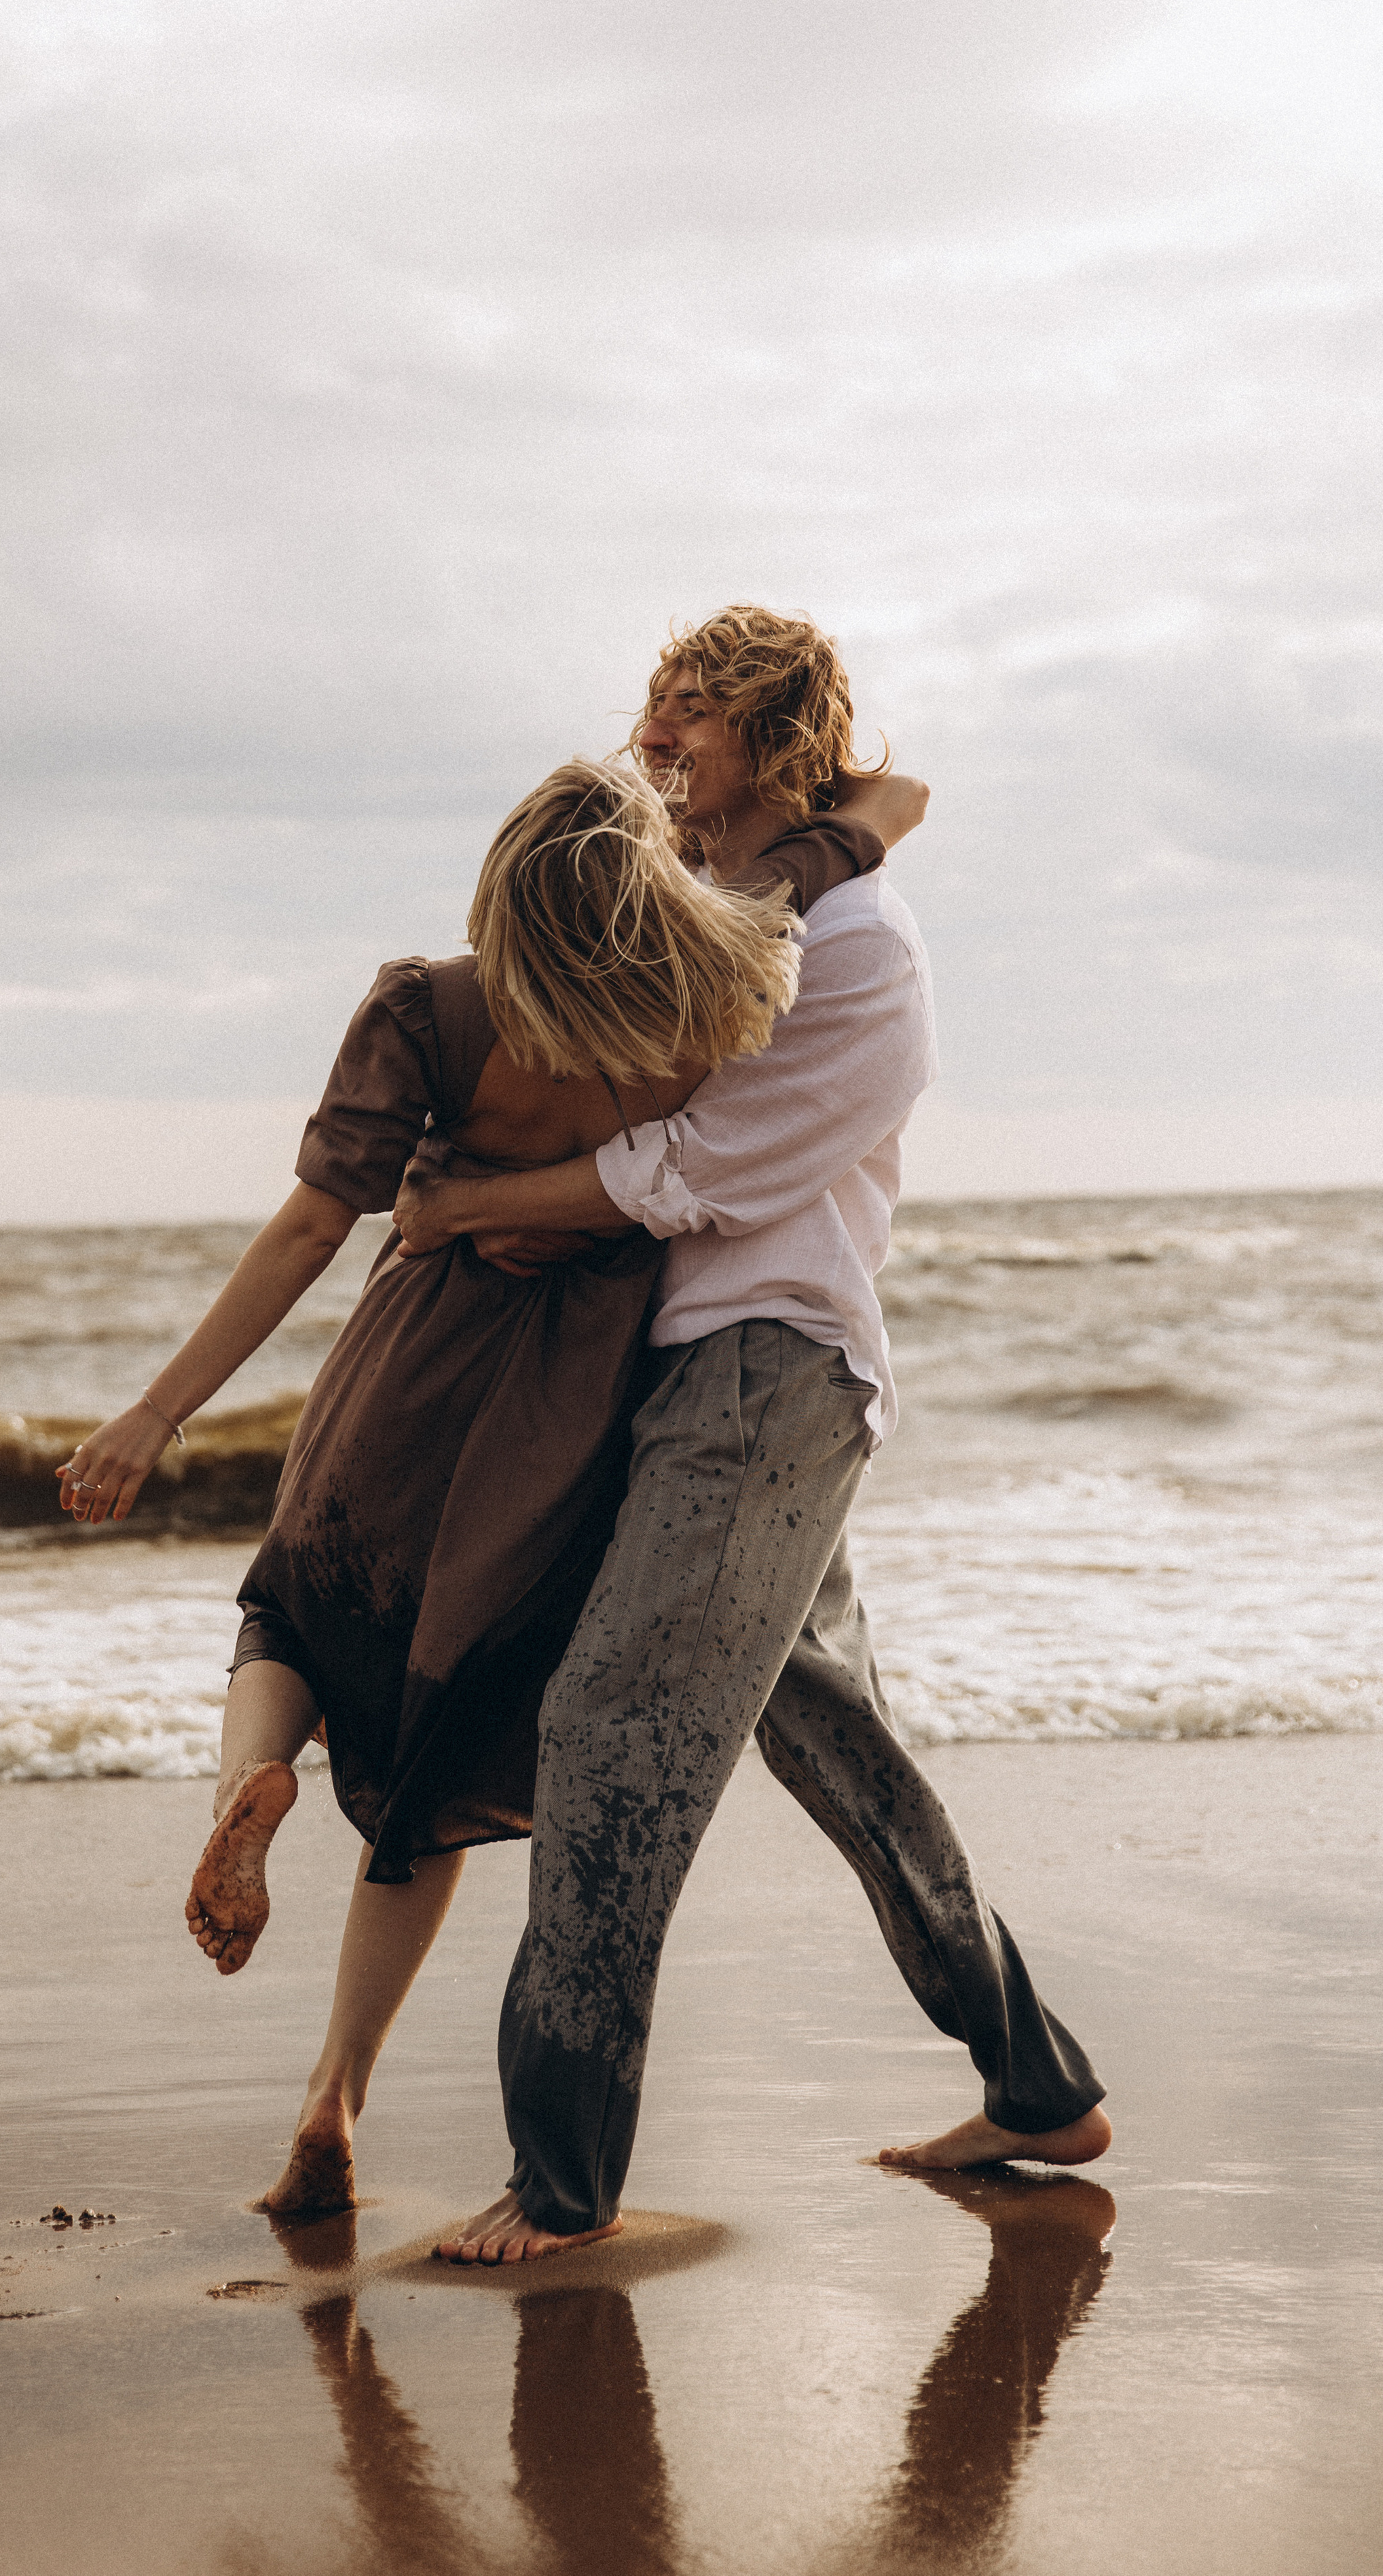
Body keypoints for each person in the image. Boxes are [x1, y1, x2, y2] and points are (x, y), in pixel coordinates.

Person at [56, 746, 914, 2213]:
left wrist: (154, 1411)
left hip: (409, 1362)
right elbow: (823, 860)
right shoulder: (697, 1002)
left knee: (293, 1612)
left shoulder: (430, 1010)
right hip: (564, 1408)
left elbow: (307, 1228)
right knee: (436, 1745)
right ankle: (333, 2097)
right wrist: (874, 803)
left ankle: (250, 1778)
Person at [384, 605, 1111, 2265]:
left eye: (689, 718)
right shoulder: (737, 906)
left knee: (610, 1735)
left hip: (770, 1380)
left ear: (777, 745)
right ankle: (1035, 2089)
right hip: (697, 1378)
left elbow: (691, 1171)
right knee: (835, 1749)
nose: (651, 740)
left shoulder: (862, 957)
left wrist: (486, 1201)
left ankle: (559, 2181)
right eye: (646, 708)